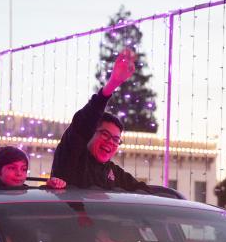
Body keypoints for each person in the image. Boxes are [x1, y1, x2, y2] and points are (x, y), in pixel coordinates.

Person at [51, 48, 151, 192]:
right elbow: (83, 123)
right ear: (91, 132)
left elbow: (142, 192)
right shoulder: (71, 155)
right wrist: (112, 84)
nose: (110, 142)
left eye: (116, 140)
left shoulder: (113, 173)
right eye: (105, 134)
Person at [0, 145, 66, 189]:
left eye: (23, 169)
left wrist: (49, 187)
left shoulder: (25, 192)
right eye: (12, 168)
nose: (19, 173)